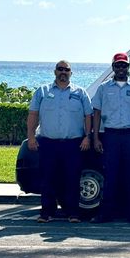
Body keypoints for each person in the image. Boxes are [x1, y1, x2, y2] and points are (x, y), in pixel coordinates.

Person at [27, 60, 92, 223]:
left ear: (71, 73)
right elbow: (33, 115)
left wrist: (87, 136)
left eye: (66, 69)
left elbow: (88, 116)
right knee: (47, 178)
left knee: (72, 178)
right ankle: (46, 212)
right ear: (55, 71)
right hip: (48, 143)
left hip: (73, 144)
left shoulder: (81, 92)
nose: (63, 72)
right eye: (60, 69)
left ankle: (73, 213)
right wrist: (31, 136)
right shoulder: (42, 91)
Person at [91, 53, 130, 224]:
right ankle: (106, 214)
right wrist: (95, 138)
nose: (121, 68)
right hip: (111, 136)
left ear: (128, 67)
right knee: (110, 175)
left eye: (124, 65)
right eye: (118, 65)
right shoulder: (103, 88)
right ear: (113, 67)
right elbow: (97, 113)